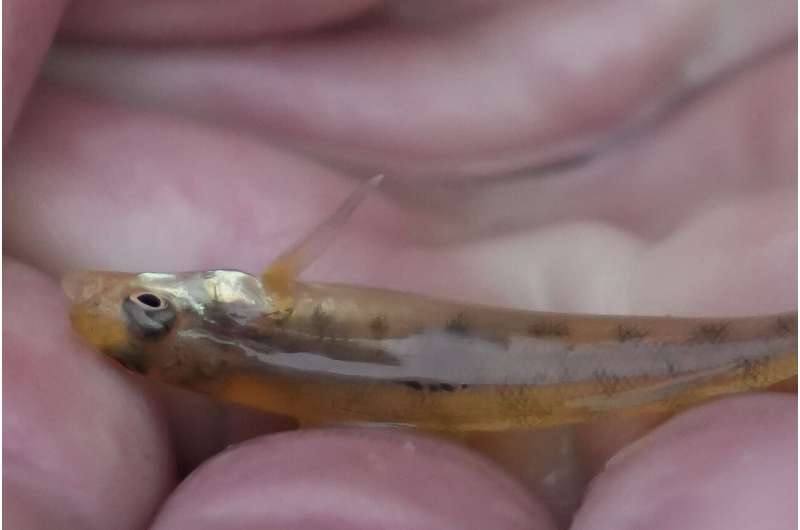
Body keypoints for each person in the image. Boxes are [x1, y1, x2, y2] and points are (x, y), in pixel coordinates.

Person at [4, 1, 796, 528]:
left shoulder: (247, 356)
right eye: (147, 314)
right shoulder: (265, 312)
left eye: (144, 310)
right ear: (238, 310)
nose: (122, 298)